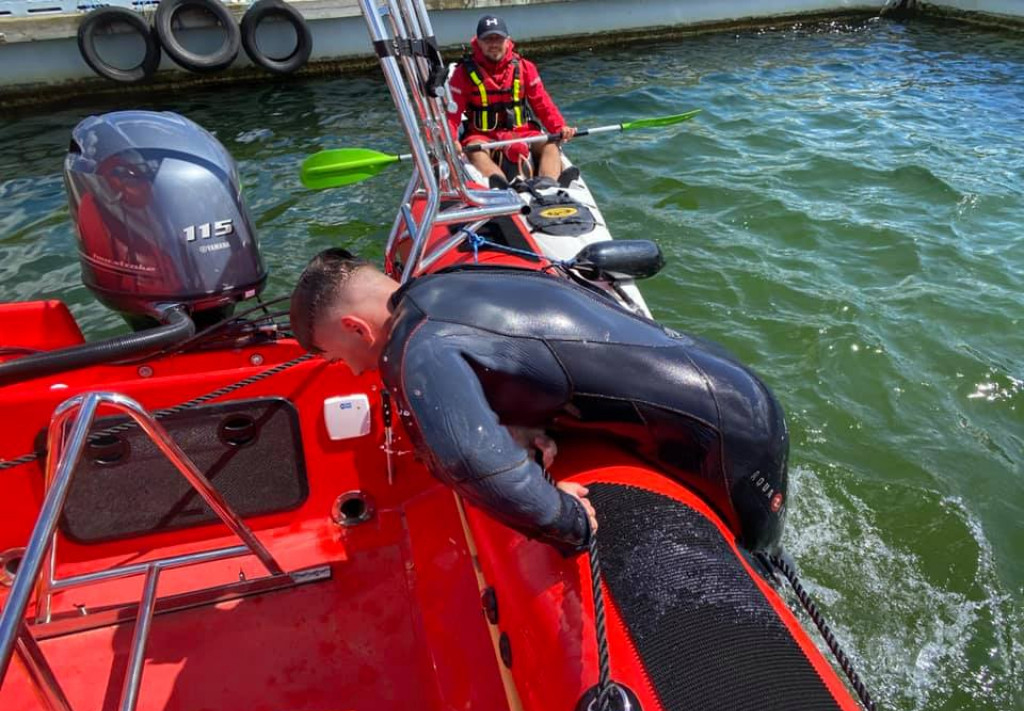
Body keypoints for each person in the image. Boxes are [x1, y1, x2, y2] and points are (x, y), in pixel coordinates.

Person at [290, 249, 790, 554]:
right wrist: (519, 419)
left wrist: (565, 521)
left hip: (728, 436)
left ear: (355, 327)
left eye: (343, 356)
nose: (356, 371)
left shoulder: (418, 344)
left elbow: (468, 464)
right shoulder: (443, 284)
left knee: (757, 558)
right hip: (733, 385)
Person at [447, 15, 577, 189]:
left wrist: (559, 127)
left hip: (522, 131)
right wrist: (450, 139)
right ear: (478, 42)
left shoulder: (525, 67)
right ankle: (502, 188)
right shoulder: (462, 73)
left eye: (498, 38)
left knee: (550, 143)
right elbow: (451, 114)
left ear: (508, 41)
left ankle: (549, 187)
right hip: (483, 136)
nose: (494, 44)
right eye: (488, 39)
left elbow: (542, 103)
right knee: (476, 152)